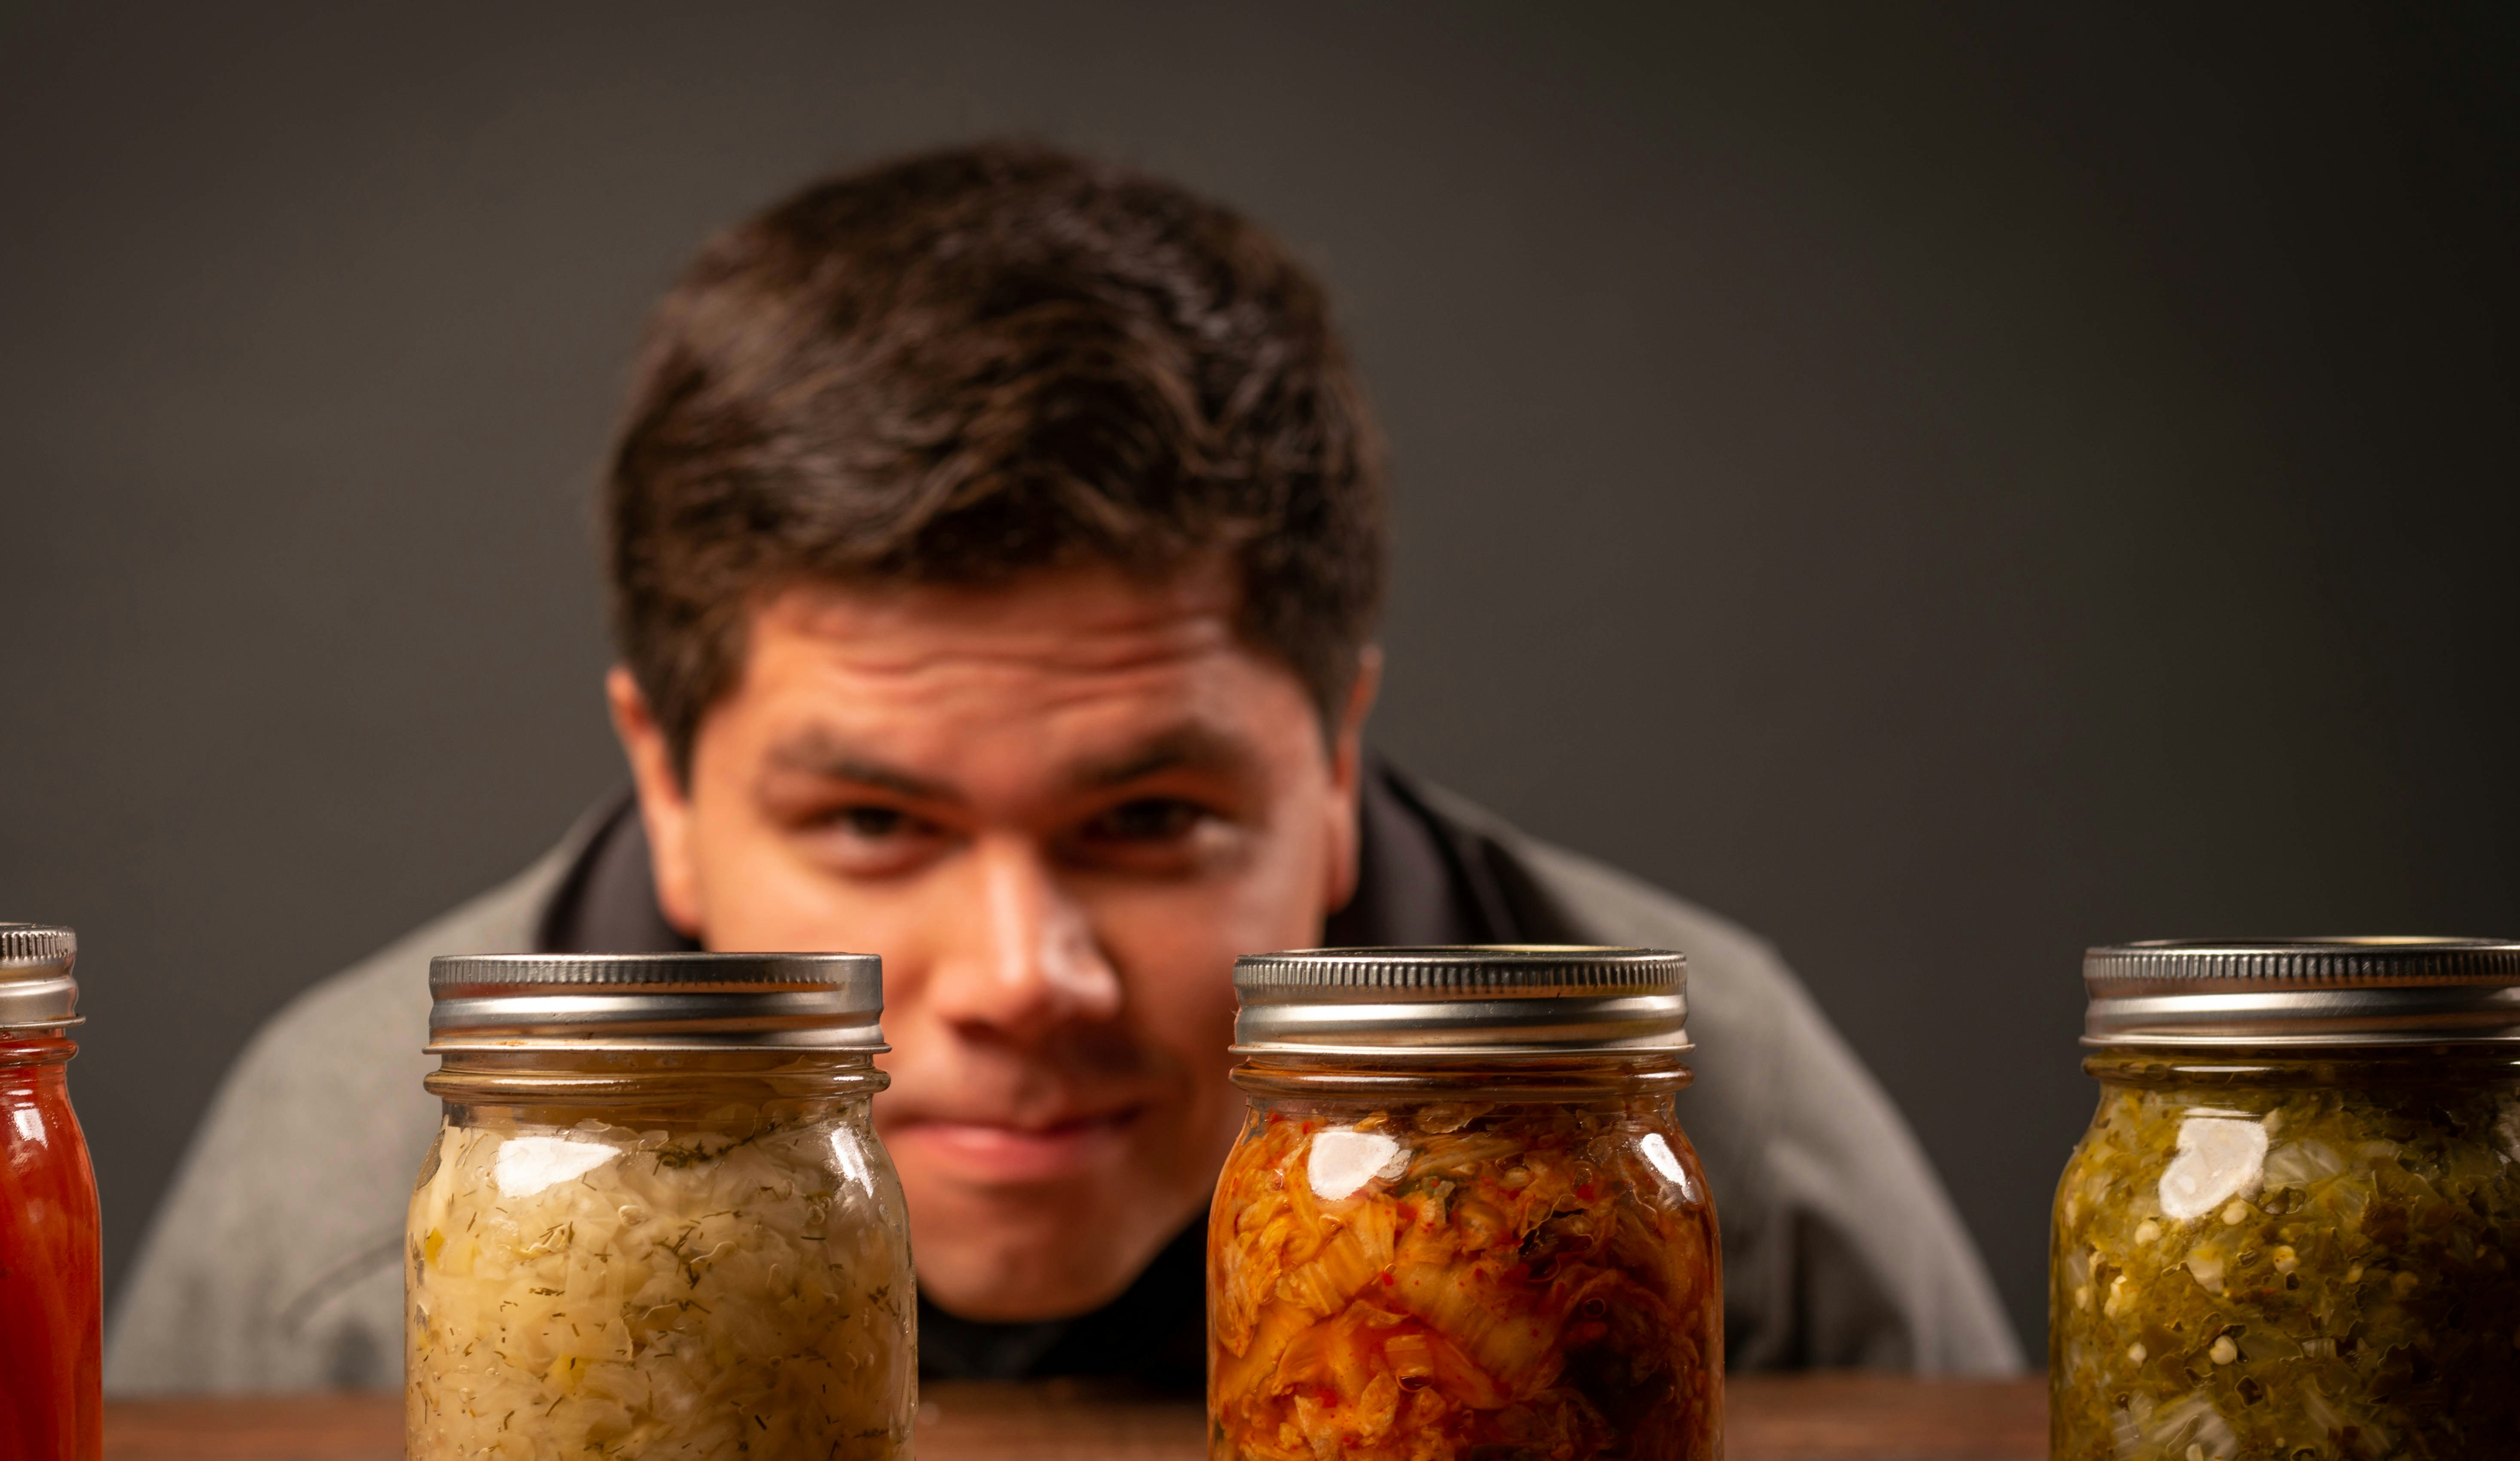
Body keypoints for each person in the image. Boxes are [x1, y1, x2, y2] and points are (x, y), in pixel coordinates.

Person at [107, 141, 2022, 1394]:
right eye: (872, 823)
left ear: (1338, 760)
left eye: (1152, 823)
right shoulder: (343, 1227)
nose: (1024, 974)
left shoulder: (1715, 1148)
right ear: (666, 790)